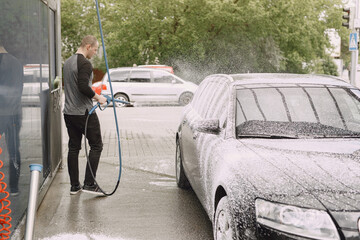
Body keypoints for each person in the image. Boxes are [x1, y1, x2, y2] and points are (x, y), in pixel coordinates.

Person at [63, 35, 107, 195]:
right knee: (96, 145)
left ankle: (75, 186)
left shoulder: (67, 63)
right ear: (88, 46)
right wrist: (99, 97)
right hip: (84, 113)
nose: (95, 53)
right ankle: (89, 184)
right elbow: (83, 86)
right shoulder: (85, 63)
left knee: (74, 148)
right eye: (95, 50)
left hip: (69, 113)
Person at [0, 40, 23, 196]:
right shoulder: (16, 63)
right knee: (14, 150)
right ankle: (13, 188)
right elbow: (19, 87)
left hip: (2, 113)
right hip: (14, 113)